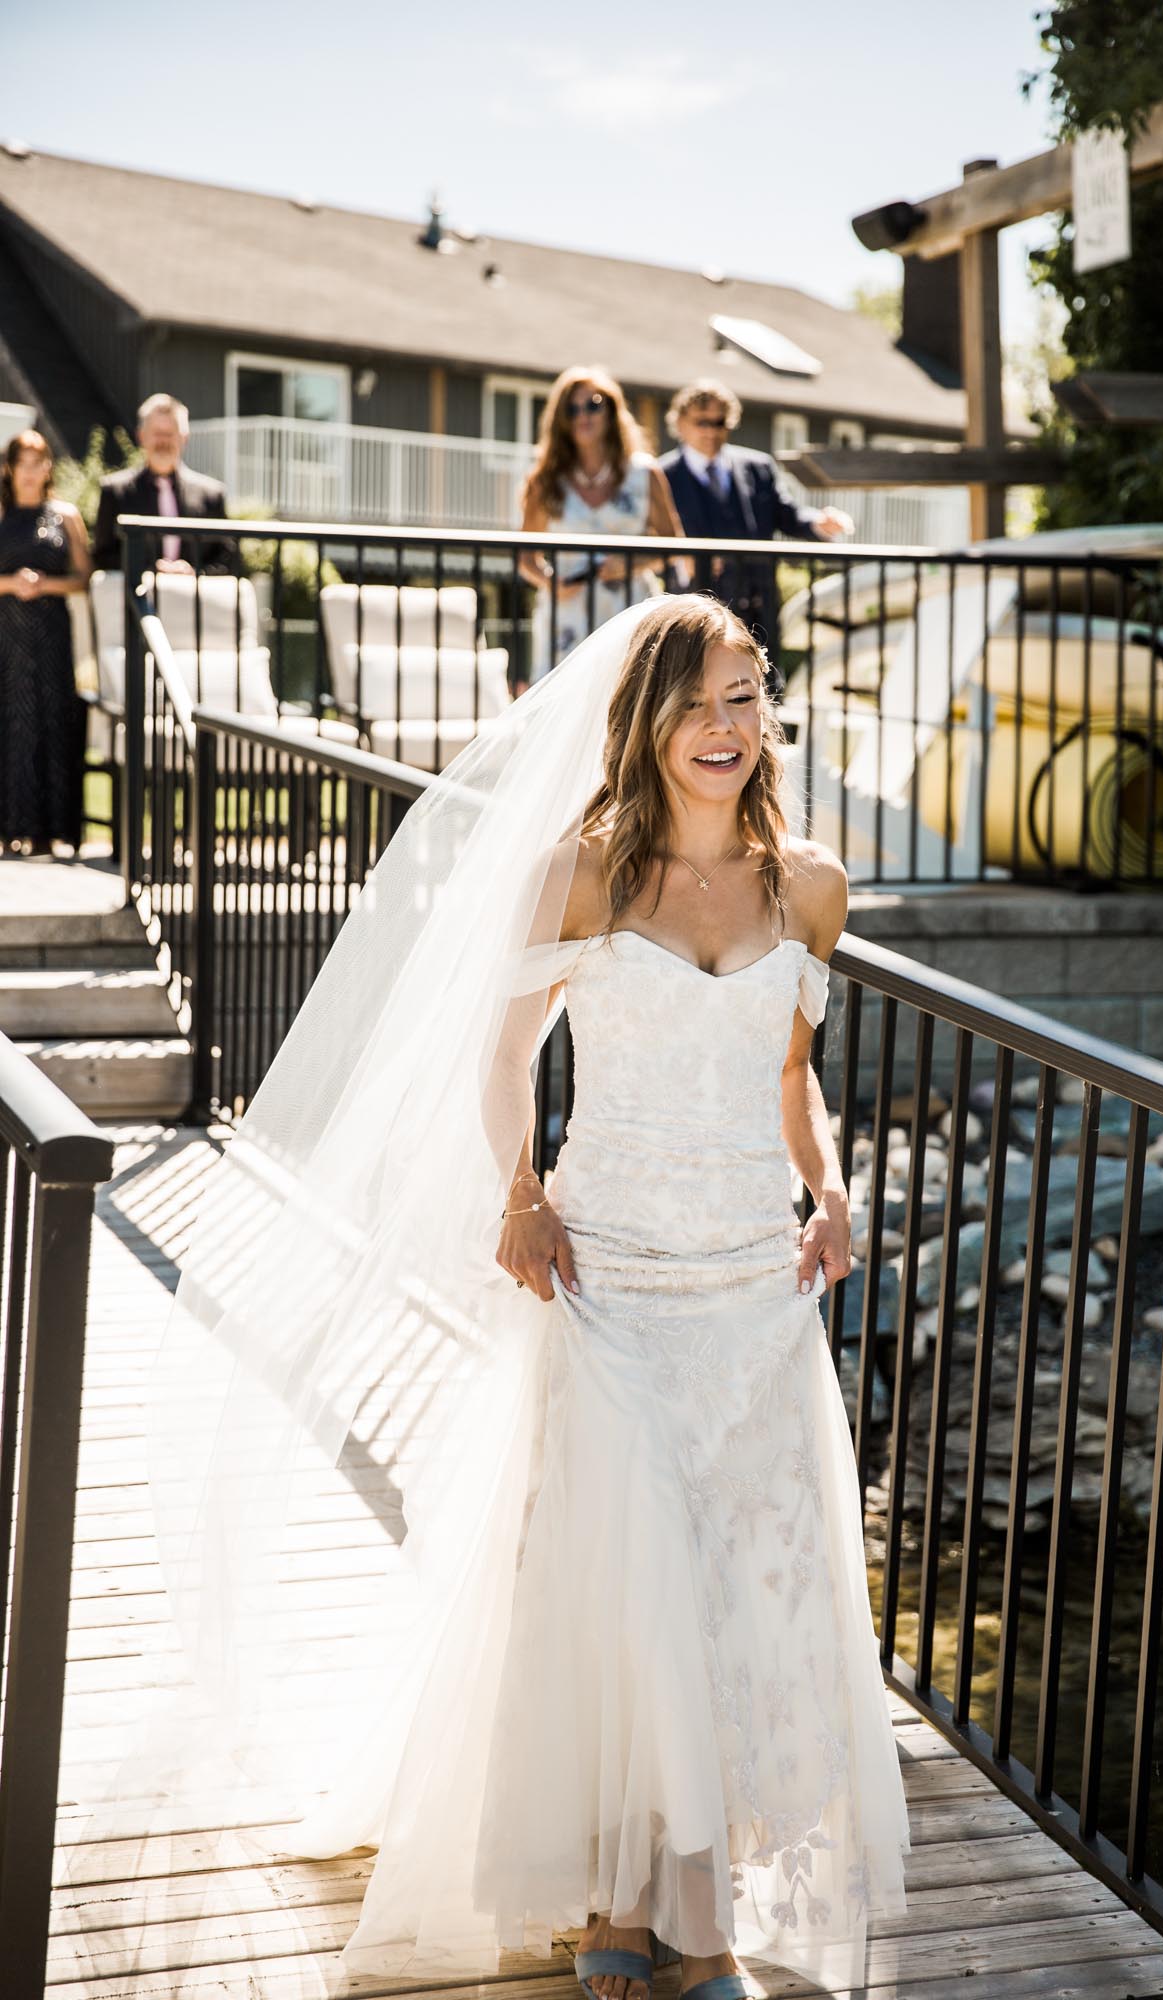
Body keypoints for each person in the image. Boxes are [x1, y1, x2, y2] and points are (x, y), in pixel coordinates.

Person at [88, 595, 910, 1991]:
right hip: (610, 1276)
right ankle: (621, 1904)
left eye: (743, 698)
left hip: (750, 1285)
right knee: (620, 1583)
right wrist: (519, 1190)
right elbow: (502, 1054)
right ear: (645, 721)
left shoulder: (808, 889)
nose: (723, 728)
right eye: (696, 703)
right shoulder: (579, 873)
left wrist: (827, 1189)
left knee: (736, 1587)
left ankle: (691, 1902)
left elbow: (791, 1074)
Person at [658, 381, 853, 691]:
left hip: (757, 602)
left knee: (762, 688)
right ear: (680, 423)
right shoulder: (661, 475)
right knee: (696, 688)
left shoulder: (757, 467)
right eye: (702, 422)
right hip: (695, 603)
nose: (711, 431)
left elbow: (788, 514)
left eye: (720, 422)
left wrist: (819, 522)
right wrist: (683, 559)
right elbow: (654, 537)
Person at [519, 367, 684, 676]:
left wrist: (630, 565)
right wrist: (550, 582)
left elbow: (673, 545)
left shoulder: (644, 474)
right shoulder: (546, 480)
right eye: (572, 409)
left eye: (592, 404)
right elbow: (526, 557)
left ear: (612, 410)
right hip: (566, 615)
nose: (583, 415)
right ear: (561, 419)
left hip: (630, 610)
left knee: (630, 696)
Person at [0, 430, 91, 856]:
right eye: (24, 463)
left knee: (53, 722)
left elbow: (83, 578)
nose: (31, 472)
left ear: (48, 467)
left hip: (52, 634)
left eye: (39, 462)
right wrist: (12, 583)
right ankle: (9, 827)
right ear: (10, 468)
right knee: (11, 724)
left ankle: (51, 830)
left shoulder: (65, 515)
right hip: (7, 634)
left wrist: (44, 584)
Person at [92, 392, 237, 575]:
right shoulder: (114, 491)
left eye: (170, 434)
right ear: (141, 436)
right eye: (157, 433)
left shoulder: (212, 495)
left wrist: (195, 573)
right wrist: (149, 570)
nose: (163, 441)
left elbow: (227, 558)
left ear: (185, 437)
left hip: (195, 592)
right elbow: (102, 556)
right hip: (137, 592)